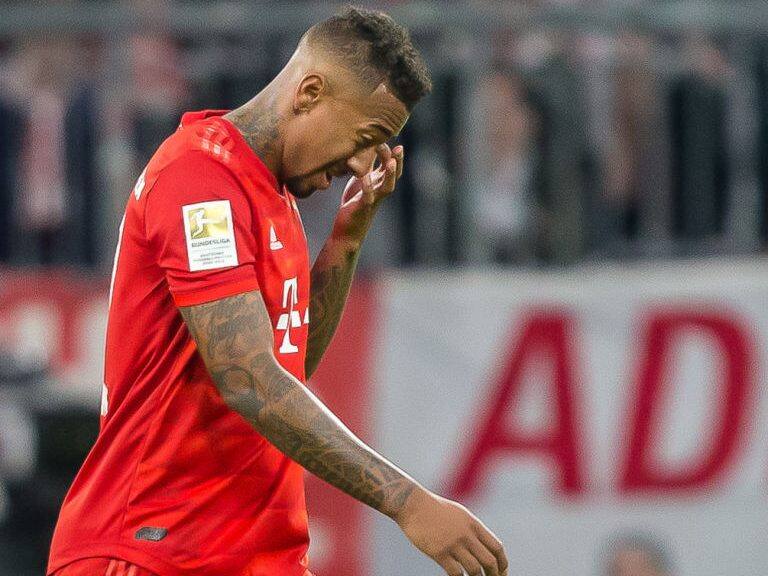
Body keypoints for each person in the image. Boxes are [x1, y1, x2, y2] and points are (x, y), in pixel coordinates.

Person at [47, 7, 508, 576]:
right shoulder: (199, 181)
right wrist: (406, 501)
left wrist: (345, 241)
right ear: (309, 92)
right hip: (151, 551)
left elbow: (287, 371)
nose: (363, 164)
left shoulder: (274, 196)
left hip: (254, 555)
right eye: (366, 137)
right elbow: (247, 378)